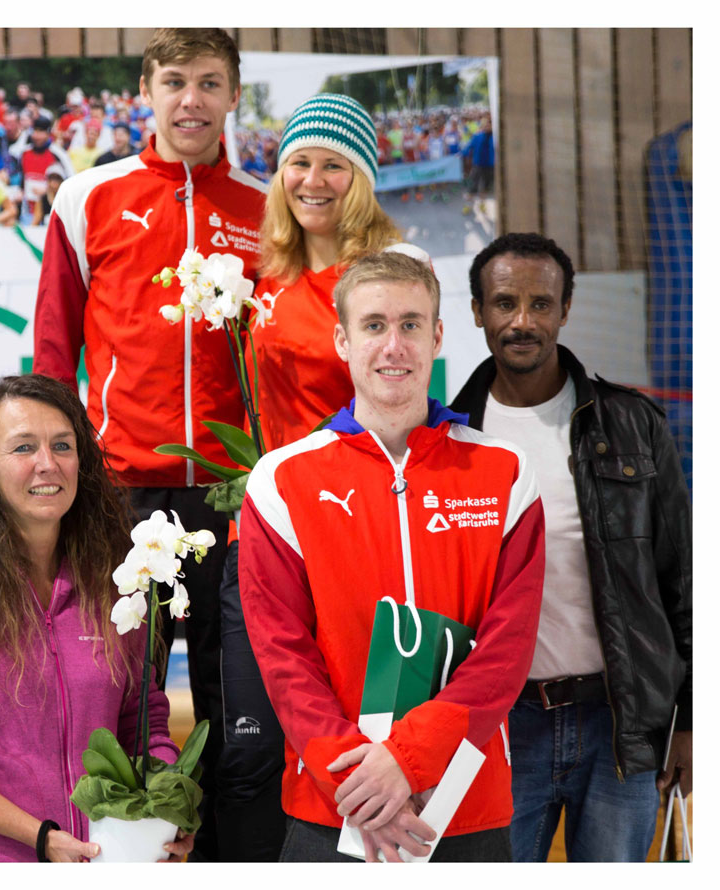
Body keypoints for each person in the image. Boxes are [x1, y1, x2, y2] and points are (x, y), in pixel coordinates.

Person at [32, 28, 268, 862]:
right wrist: (63, 471)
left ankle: (228, 858)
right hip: (120, 489)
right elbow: (53, 349)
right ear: (145, 90)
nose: (190, 99)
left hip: (231, 494)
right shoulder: (88, 196)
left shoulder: (265, 206)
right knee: (119, 691)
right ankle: (120, 857)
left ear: (232, 95)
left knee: (232, 695)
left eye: (208, 82)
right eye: (173, 81)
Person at [239, 252, 545, 862]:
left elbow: (506, 651)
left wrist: (407, 761)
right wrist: (360, 784)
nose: (393, 345)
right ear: (343, 341)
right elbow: (283, 656)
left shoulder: (504, 472)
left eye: (411, 324)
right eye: (374, 325)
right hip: (336, 805)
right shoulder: (281, 481)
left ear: (437, 336)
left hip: (463, 805)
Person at [217, 92, 424, 861]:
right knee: (248, 752)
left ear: (361, 177)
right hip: (263, 537)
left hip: (351, 539)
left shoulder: (390, 274)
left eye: (333, 164)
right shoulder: (262, 275)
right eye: (298, 162)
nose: (312, 180)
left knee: (351, 744)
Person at [449, 232, 692, 862]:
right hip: (499, 727)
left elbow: (683, 581)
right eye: (505, 303)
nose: (522, 322)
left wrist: (690, 721)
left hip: (619, 722)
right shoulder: (446, 440)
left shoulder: (632, 424)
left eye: (540, 304)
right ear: (477, 311)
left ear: (566, 310)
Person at [0, 374, 193, 862]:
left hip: (103, 861)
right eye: (23, 447)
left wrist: (164, 816)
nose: (48, 463)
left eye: (62, 445)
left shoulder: (114, 584)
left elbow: (144, 723)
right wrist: (41, 838)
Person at [19, 117, 72, 223]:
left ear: (48, 134)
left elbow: (70, 179)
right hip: (27, 211)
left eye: (40, 132)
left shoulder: (58, 153)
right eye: (35, 131)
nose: (36, 135)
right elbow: (20, 179)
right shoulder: (24, 152)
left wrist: (49, 190)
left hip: (49, 210)